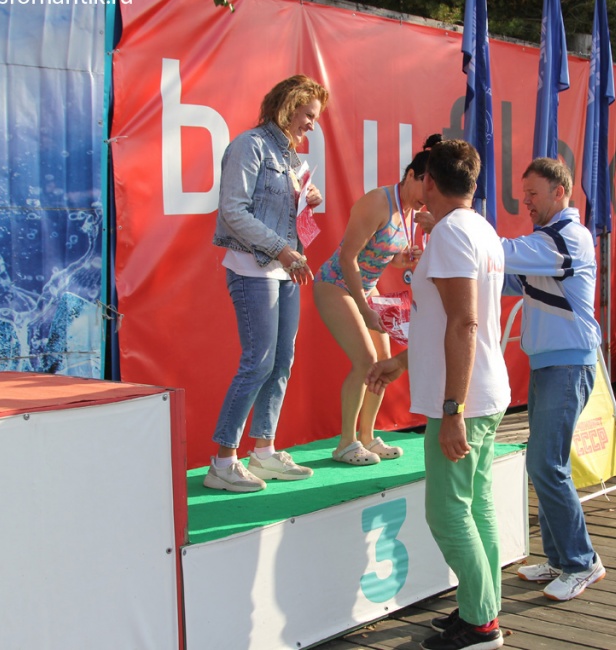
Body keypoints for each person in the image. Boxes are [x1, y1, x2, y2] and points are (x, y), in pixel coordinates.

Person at [367, 140, 510, 650]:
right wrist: (400, 362)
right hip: (483, 393)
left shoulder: (450, 234)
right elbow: (445, 322)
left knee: (448, 513)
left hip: (464, 400)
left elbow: (464, 323)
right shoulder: (479, 229)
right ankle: (481, 608)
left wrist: (453, 410)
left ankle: (481, 623)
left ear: (429, 181)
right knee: (477, 507)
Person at [203, 75, 329, 493]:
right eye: (308, 115)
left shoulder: (292, 158)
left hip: (285, 268)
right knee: (258, 361)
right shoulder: (249, 145)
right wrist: (281, 249)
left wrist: (306, 202)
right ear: (288, 106)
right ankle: (223, 461)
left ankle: (264, 450)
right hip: (253, 267)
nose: (312, 124)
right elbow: (233, 210)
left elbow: (282, 215)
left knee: (281, 361)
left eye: (315, 118)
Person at [501, 158, 605, 601]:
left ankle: (582, 563)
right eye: (524, 194)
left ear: (559, 192)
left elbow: (502, 254)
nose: (525, 202)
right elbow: (510, 279)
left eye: (532, 194)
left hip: (568, 365)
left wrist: (458, 232)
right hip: (551, 364)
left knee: (547, 464)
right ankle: (561, 558)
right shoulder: (549, 241)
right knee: (544, 464)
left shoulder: (567, 237)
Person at [313, 135, 440, 466]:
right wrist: (365, 307)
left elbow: (383, 255)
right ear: (410, 175)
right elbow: (348, 258)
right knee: (366, 359)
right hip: (335, 283)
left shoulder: (410, 210)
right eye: (425, 186)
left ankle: (367, 437)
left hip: (366, 287)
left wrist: (403, 259)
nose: (427, 197)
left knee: (384, 361)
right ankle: (346, 443)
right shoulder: (377, 201)